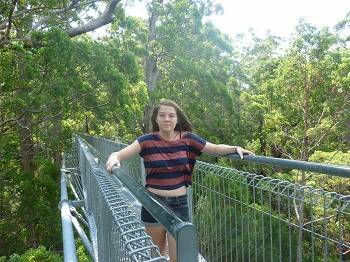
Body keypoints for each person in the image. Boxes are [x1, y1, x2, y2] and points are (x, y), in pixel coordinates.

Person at [106, 99, 253, 261]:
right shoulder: (146, 140)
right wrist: (114, 157)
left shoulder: (188, 139)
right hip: (152, 205)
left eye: (171, 115)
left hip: (179, 205)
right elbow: (120, 154)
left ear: (177, 119)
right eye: (162, 115)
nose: (167, 119)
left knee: (179, 258)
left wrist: (235, 148)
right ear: (156, 119)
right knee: (156, 256)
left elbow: (215, 148)